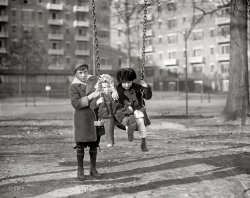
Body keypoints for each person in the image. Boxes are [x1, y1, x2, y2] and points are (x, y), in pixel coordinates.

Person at [68, 59, 118, 181]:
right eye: (80, 72)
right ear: (75, 73)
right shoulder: (73, 86)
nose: (83, 75)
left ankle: (93, 168)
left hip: (95, 116)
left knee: (94, 144)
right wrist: (91, 96)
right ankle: (80, 170)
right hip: (81, 119)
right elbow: (76, 103)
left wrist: (112, 91)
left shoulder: (94, 80)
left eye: (84, 71)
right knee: (80, 145)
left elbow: (107, 84)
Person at [115, 68, 152, 152]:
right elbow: (120, 101)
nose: (127, 85)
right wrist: (128, 106)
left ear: (132, 80)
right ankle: (129, 130)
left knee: (141, 123)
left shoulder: (137, 87)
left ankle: (143, 142)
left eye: (129, 82)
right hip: (125, 111)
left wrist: (145, 86)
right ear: (120, 82)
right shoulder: (119, 89)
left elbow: (148, 96)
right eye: (124, 83)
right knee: (128, 120)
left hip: (138, 109)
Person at [94, 74, 117, 148]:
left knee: (108, 126)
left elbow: (118, 105)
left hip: (109, 116)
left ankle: (110, 142)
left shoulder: (113, 95)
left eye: (108, 87)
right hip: (100, 117)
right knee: (97, 130)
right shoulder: (99, 95)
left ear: (112, 86)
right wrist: (97, 102)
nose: (107, 89)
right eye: (104, 87)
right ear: (101, 88)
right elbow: (92, 105)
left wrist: (115, 94)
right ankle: (95, 142)